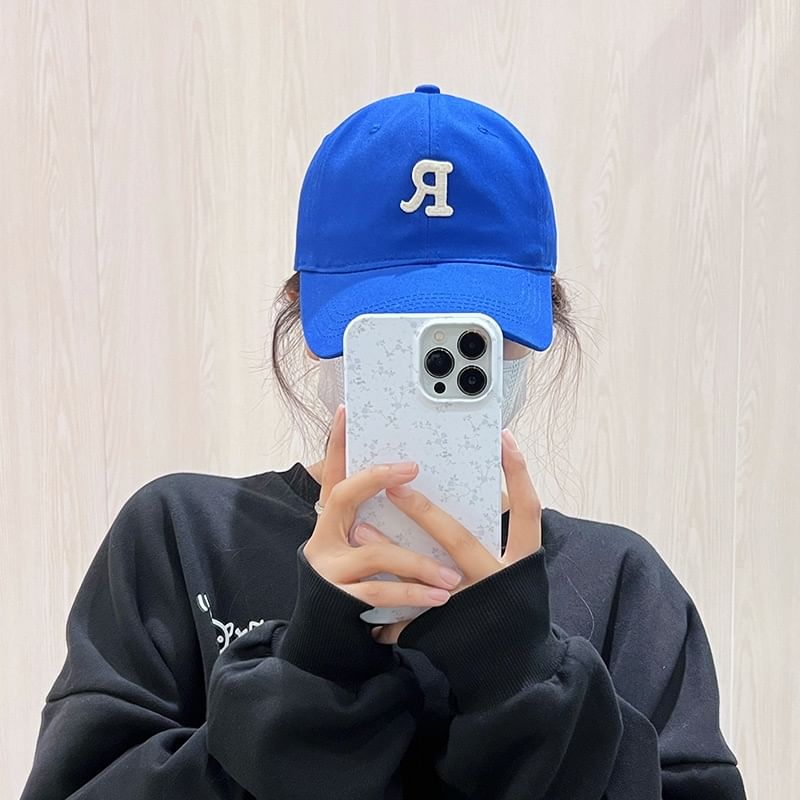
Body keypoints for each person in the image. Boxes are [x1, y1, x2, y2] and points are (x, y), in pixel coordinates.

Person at [21, 86, 746, 799]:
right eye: (385, 337)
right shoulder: (185, 541)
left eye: (473, 335)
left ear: (540, 328)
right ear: (300, 312)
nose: (425, 367)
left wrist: (526, 683)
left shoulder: (620, 585)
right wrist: (306, 678)